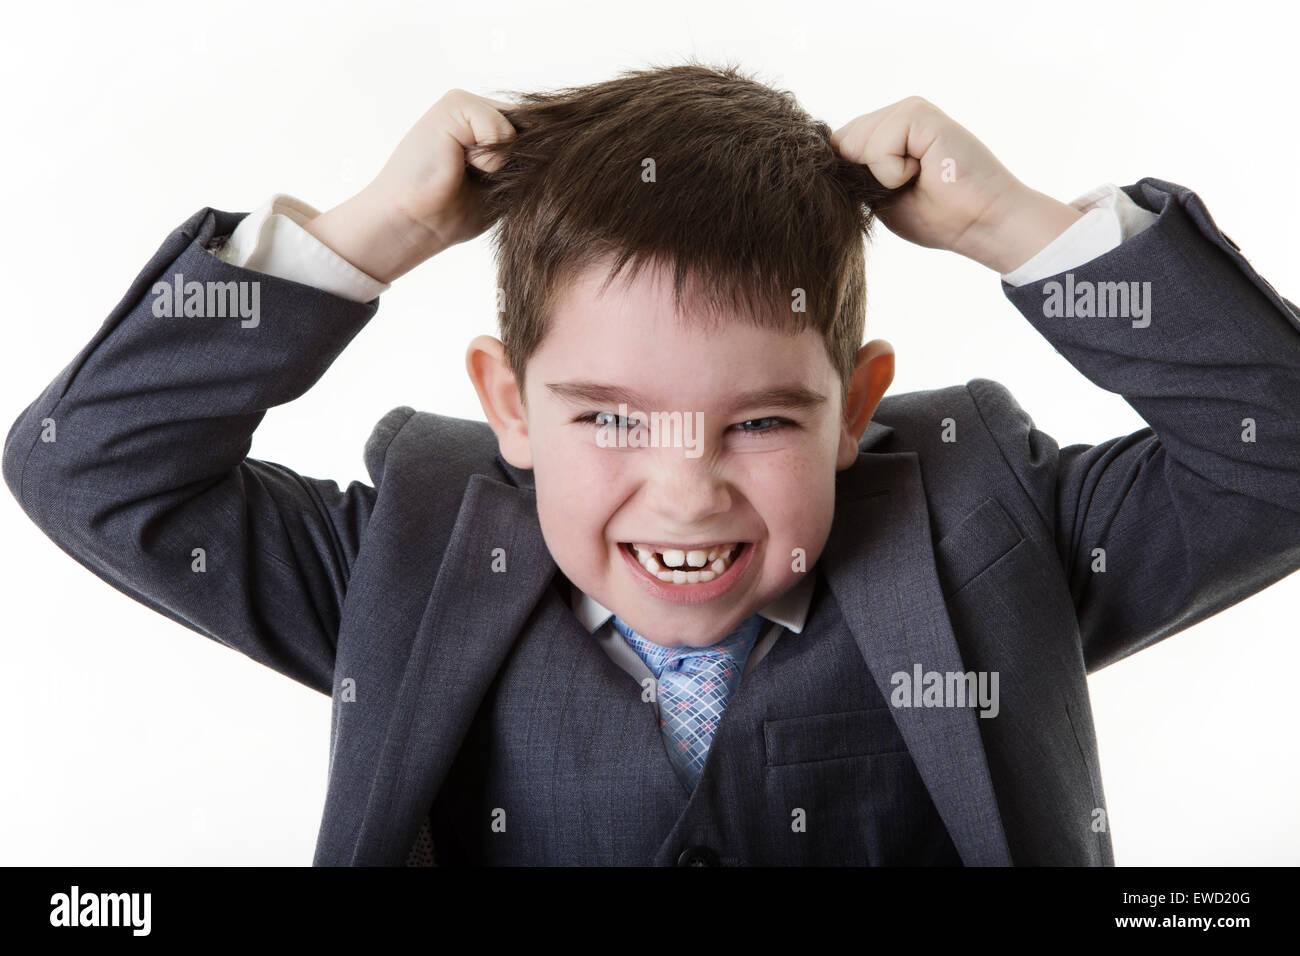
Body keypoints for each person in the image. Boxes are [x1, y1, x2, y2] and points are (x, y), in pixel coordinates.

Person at [6, 63, 1299, 865]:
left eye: (765, 421)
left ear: (858, 409)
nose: (686, 489)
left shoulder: (987, 524)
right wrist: (371, 234)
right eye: (610, 417)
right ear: (508, 406)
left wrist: (1023, 228)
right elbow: (93, 469)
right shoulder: (403, 556)